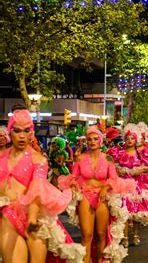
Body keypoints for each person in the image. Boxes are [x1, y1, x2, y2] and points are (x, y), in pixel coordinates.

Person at [0, 109, 85, 263]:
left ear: (31, 132)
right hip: (8, 217)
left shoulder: (38, 159)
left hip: (36, 219)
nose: (21, 136)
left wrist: (32, 216)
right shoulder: (1, 157)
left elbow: (37, 189)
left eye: (26, 131)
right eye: (17, 130)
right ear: (10, 131)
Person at [58, 126, 135, 263]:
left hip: (102, 197)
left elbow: (113, 178)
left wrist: (106, 188)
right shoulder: (80, 158)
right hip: (86, 196)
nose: (92, 141)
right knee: (86, 235)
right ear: (86, 142)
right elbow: (72, 177)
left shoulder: (108, 158)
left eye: (95, 139)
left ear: (100, 141)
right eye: (89, 139)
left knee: (100, 234)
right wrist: (74, 185)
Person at [109, 123, 148, 247]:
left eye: (132, 138)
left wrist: (141, 170)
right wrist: (118, 170)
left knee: (137, 213)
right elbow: (111, 165)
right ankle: (125, 237)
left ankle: (136, 235)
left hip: (138, 186)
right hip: (122, 186)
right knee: (124, 212)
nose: (129, 141)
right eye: (127, 138)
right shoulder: (119, 153)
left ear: (136, 139)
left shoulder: (141, 153)